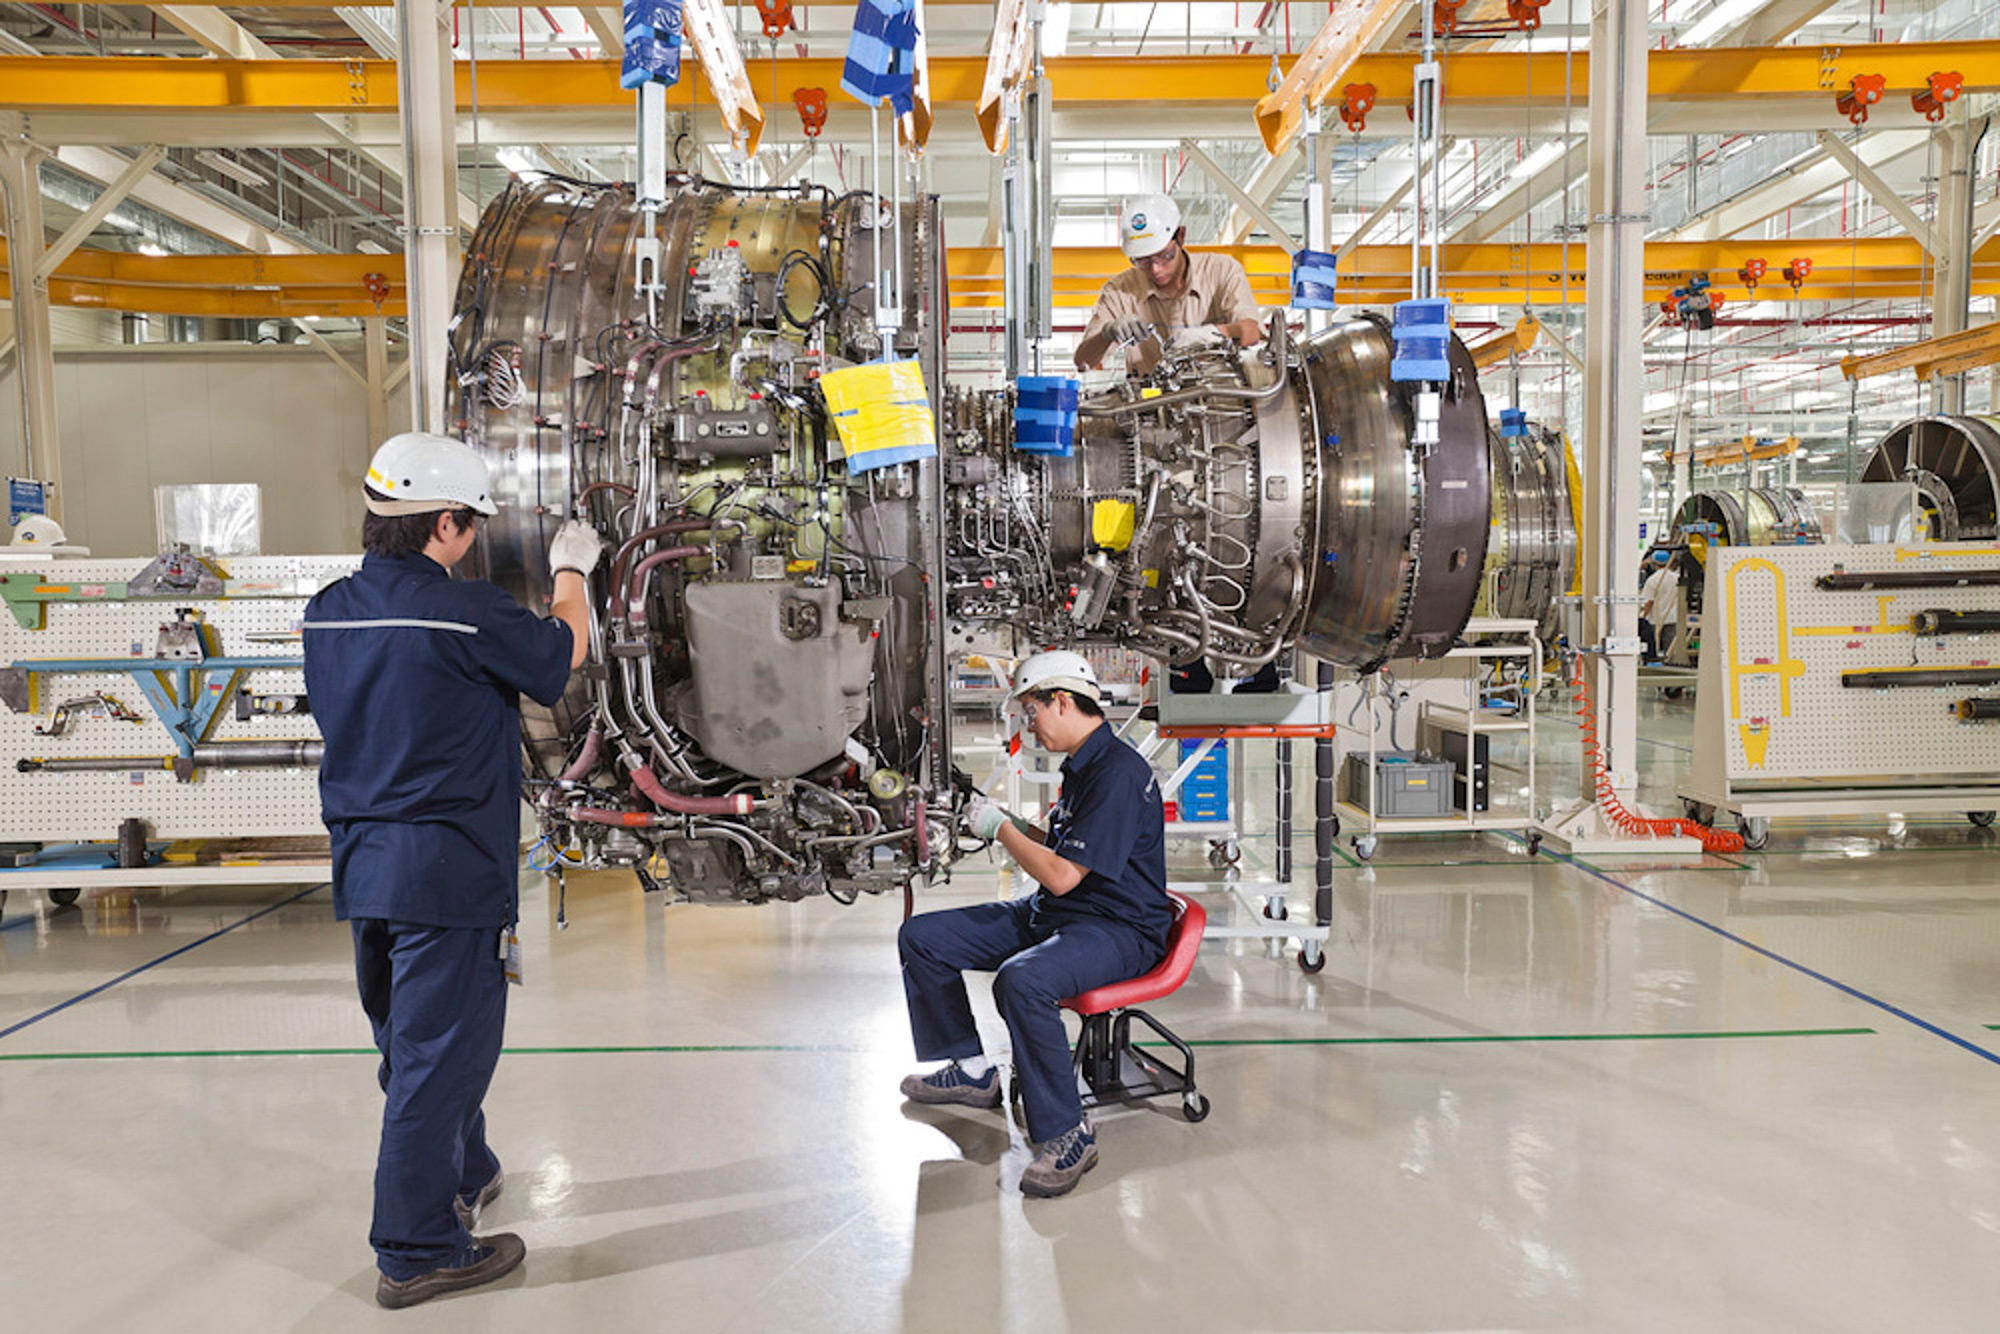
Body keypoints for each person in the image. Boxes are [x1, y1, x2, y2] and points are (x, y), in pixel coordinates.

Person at [303, 431, 601, 1308]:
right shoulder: (464, 612)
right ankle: (417, 1247)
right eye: (470, 523)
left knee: (409, 1041)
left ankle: (463, 1172)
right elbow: (560, 658)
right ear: (443, 524)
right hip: (449, 870)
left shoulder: (327, 609)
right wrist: (574, 574)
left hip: (364, 864)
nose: (473, 537)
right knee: (440, 1055)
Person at [897, 650, 1171, 1198]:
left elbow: (1065, 875)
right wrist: (999, 817)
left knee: (1024, 980)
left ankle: (1068, 1133)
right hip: (1058, 914)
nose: (1030, 724)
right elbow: (1061, 846)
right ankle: (975, 1070)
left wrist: (1001, 830)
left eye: (1032, 712)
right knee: (923, 938)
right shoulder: (1084, 765)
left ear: (1063, 701)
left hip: (1116, 928)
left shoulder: (1117, 773)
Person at [1073, 193, 1266, 375]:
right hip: (1152, 404)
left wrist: (1211, 335)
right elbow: (1083, 363)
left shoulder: (1221, 270)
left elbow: (1252, 332)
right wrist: (1107, 333)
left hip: (1221, 401)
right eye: (1143, 261)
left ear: (1180, 236)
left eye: (1165, 256)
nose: (1156, 269)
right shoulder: (1119, 291)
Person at [1639, 550, 1682, 663]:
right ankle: (1670, 666)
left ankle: (1654, 665)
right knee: (1670, 649)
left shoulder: (1652, 580)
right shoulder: (1677, 577)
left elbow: (1649, 602)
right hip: (1672, 617)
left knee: (1654, 646)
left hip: (1655, 619)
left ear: (1654, 562)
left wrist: (1643, 617)